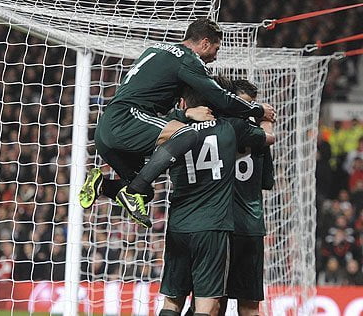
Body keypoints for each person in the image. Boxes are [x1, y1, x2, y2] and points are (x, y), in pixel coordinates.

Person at [79, 18, 275, 228]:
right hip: (128, 120)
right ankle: (132, 191)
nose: (215, 57)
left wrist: (187, 112)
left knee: (146, 193)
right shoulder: (188, 59)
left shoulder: (158, 49)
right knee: (186, 135)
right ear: (205, 43)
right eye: (216, 49)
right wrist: (258, 109)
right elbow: (222, 98)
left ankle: (103, 185)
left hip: (108, 128)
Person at [158, 82, 274, 316]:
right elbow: (266, 179)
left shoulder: (183, 129)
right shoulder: (238, 129)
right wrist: (264, 117)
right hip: (239, 225)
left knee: (195, 300)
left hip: (199, 222)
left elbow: (158, 128)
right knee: (238, 305)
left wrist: (185, 113)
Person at [216, 79, 274, 316]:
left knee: (212, 302)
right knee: (249, 306)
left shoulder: (216, 127)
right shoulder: (259, 137)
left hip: (218, 225)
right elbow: (266, 182)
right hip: (250, 226)